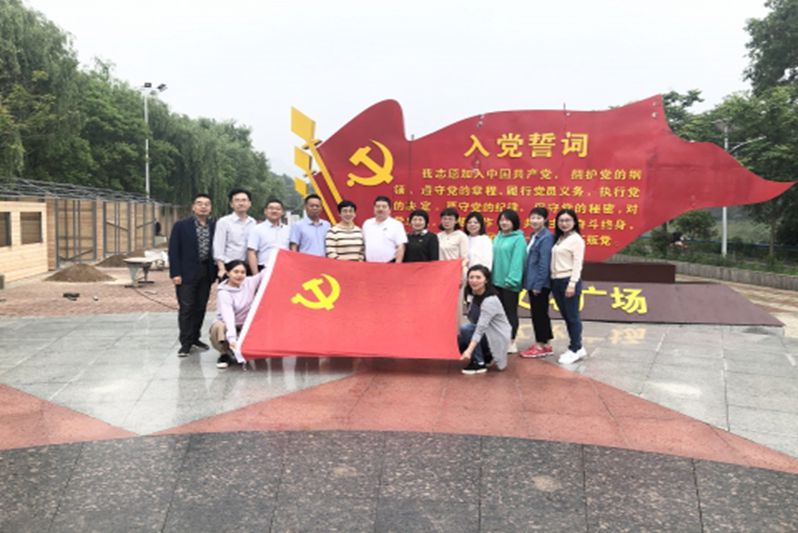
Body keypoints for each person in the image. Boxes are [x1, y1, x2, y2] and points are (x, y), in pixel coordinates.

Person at [168, 193, 216, 357]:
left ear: (210, 208)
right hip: (186, 273)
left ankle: (195, 338)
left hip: (206, 271)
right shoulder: (181, 226)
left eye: (206, 204)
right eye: (199, 203)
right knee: (187, 308)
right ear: (193, 207)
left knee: (200, 307)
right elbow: (174, 250)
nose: (203, 207)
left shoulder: (214, 226)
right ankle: (185, 343)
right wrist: (175, 273)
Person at [209, 260, 267, 369]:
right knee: (218, 327)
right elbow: (228, 317)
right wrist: (232, 339)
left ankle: (250, 349)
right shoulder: (223, 293)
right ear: (228, 273)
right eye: (236, 272)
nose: (239, 275)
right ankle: (225, 354)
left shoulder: (249, 282)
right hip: (228, 325)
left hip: (245, 325)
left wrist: (276, 257)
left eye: (242, 272)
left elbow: (264, 273)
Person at [458, 265, 512, 374]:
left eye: (478, 277)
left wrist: (469, 351)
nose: (474, 281)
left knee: (466, 329)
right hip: (486, 334)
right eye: (471, 277)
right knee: (459, 339)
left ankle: (479, 363)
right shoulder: (472, 295)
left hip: (495, 337)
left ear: (486, 280)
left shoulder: (490, 301)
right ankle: (485, 356)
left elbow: (480, 329)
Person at [551, 208, 586, 364]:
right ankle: (578, 346)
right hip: (556, 280)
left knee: (572, 317)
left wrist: (572, 284)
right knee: (566, 316)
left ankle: (575, 348)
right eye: (561, 221)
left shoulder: (576, 240)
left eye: (567, 220)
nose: (564, 223)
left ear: (574, 222)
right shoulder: (560, 238)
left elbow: (578, 264)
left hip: (568, 280)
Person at [520, 207, 555, 359]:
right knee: (540, 313)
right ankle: (546, 344)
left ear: (545, 220)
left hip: (539, 284)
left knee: (539, 314)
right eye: (532, 217)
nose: (534, 221)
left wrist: (538, 284)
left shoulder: (546, 237)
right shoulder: (535, 235)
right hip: (533, 282)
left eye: (538, 218)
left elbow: (544, 263)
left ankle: (540, 345)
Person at [491, 209, 527, 354]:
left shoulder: (519, 239)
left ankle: (511, 341)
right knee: (497, 313)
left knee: (510, 312)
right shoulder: (498, 237)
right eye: (501, 220)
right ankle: (500, 339)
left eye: (507, 220)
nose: (504, 222)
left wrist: (512, 280)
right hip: (495, 281)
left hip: (510, 283)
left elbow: (518, 261)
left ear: (514, 222)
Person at [213, 188, 256, 279]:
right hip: (229, 266)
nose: (241, 203)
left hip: (247, 266)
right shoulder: (224, 222)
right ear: (231, 204)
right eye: (237, 200)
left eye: (244, 200)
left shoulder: (253, 222)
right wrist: (222, 269)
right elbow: (218, 247)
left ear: (249, 203)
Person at [247, 198, 290, 273]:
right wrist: (256, 275)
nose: (274, 211)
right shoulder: (257, 229)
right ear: (265, 211)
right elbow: (251, 253)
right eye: (271, 208)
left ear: (282, 212)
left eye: (278, 209)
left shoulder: (288, 230)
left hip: (285, 268)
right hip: (264, 268)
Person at [362, 195, 407, 263]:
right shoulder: (367, 223)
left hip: (389, 264)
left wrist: (397, 265)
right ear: (374, 208)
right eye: (378, 206)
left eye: (384, 207)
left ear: (389, 210)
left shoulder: (396, 224)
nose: (380, 209)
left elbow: (401, 247)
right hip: (369, 264)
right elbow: (363, 244)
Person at [437, 207, 469, 274]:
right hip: (440, 270)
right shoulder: (438, 236)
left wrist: (457, 269)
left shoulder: (461, 236)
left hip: (455, 271)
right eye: (444, 219)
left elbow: (465, 258)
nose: (447, 221)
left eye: (450, 219)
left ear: (456, 221)